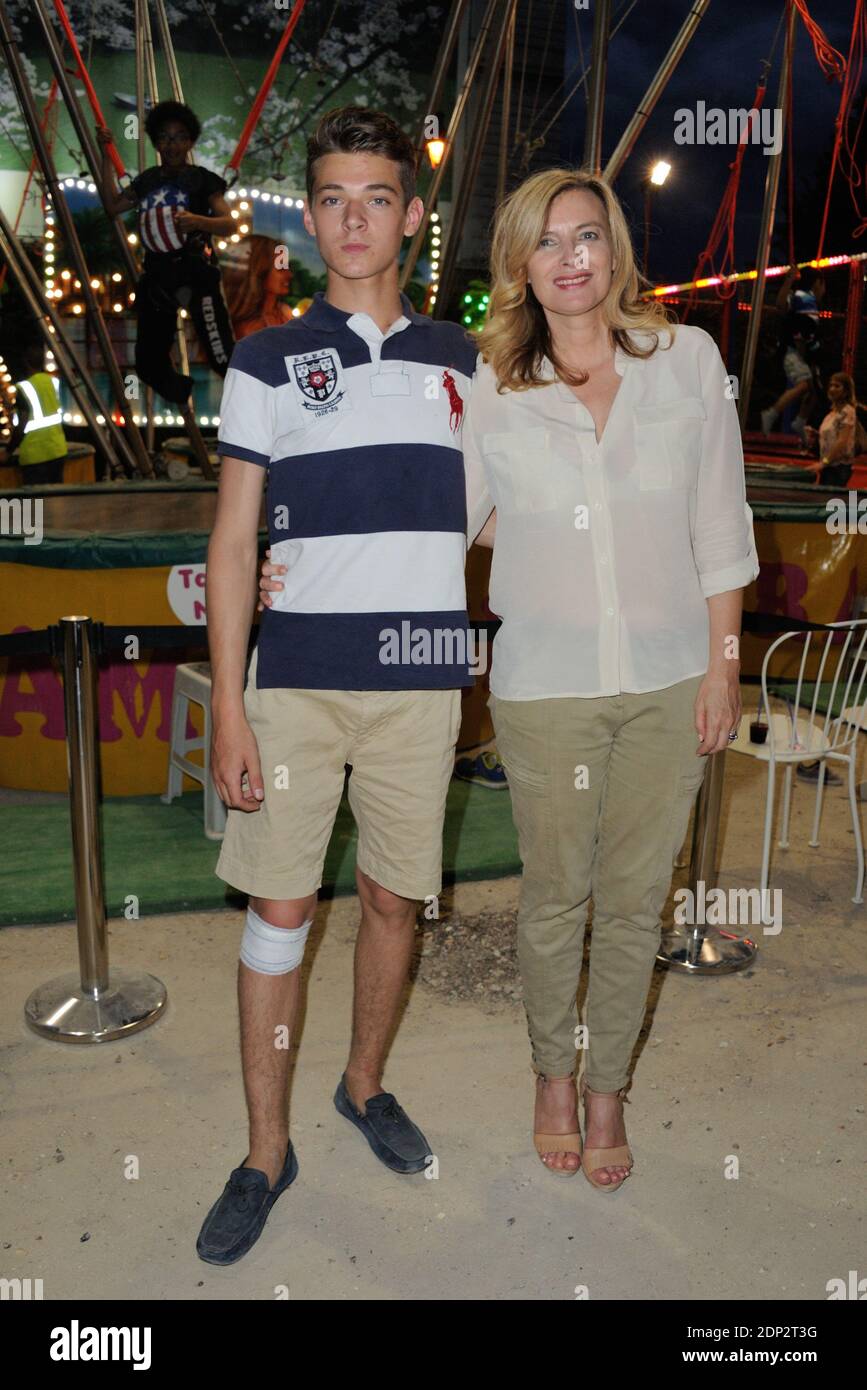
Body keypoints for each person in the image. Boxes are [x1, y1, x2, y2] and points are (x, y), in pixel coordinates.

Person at [262, 166, 761, 1193]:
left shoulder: (687, 361)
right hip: (544, 688)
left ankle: (609, 1087)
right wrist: (294, 553)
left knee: (634, 905)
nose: (570, 257)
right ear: (521, 267)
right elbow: (441, 512)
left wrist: (724, 670)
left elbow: (722, 528)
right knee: (554, 902)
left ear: (614, 249)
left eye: (587, 235)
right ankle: (550, 1076)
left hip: (672, 681)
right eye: (547, 241)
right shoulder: (493, 383)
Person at [198, 106, 483, 1266]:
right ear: (309, 214)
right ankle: (267, 1149)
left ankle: (362, 1086)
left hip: (422, 684)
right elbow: (229, 539)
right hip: (296, 683)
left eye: (377, 197)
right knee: (278, 913)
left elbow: (504, 513)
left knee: (394, 901)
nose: (354, 219)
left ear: (412, 215)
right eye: (332, 198)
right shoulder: (265, 358)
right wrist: (226, 700)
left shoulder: (467, 365)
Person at [96, 102, 236, 405]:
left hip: (195, 274)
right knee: (147, 363)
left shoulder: (203, 180)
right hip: (158, 279)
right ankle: (183, 394)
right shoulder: (147, 181)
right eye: (165, 137)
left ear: (190, 142)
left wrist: (198, 221)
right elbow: (113, 207)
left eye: (179, 137)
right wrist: (106, 155)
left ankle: (261, 406)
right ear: (156, 142)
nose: (172, 144)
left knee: (223, 357)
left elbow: (228, 223)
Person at [761, 269, 825, 437]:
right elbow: (782, 306)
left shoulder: (807, 301)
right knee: (804, 385)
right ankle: (772, 413)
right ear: (818, 283)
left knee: (814, 392)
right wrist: (789, 280)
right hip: (796, 352)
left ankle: (799, 422)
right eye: (823, 285)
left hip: (804, 352)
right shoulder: (804, 298)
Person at [0, 338, 68, 484]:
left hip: (35, 457)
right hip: (57, 451)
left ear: (25, 362)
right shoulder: (53, 382)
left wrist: (7, 452)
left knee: (37, 504)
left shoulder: (24, 388)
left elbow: (22, 424)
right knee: (58, 500)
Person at [226, 235, 294, 339]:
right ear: (260, 270)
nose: (289, 274)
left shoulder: (285, 312)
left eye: (287, 267)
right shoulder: (248, 330)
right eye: (281, 268)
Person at [802, 371, 863, 486]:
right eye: (831, 385)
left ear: (846, 391)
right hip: (829, 466)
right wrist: (815, 435)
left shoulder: (847, 411)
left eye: (837, 386)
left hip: (838, 467)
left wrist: (824, 463)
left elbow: (842, 441)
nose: (832, 389)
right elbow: (832, 436)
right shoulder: (832, 413)